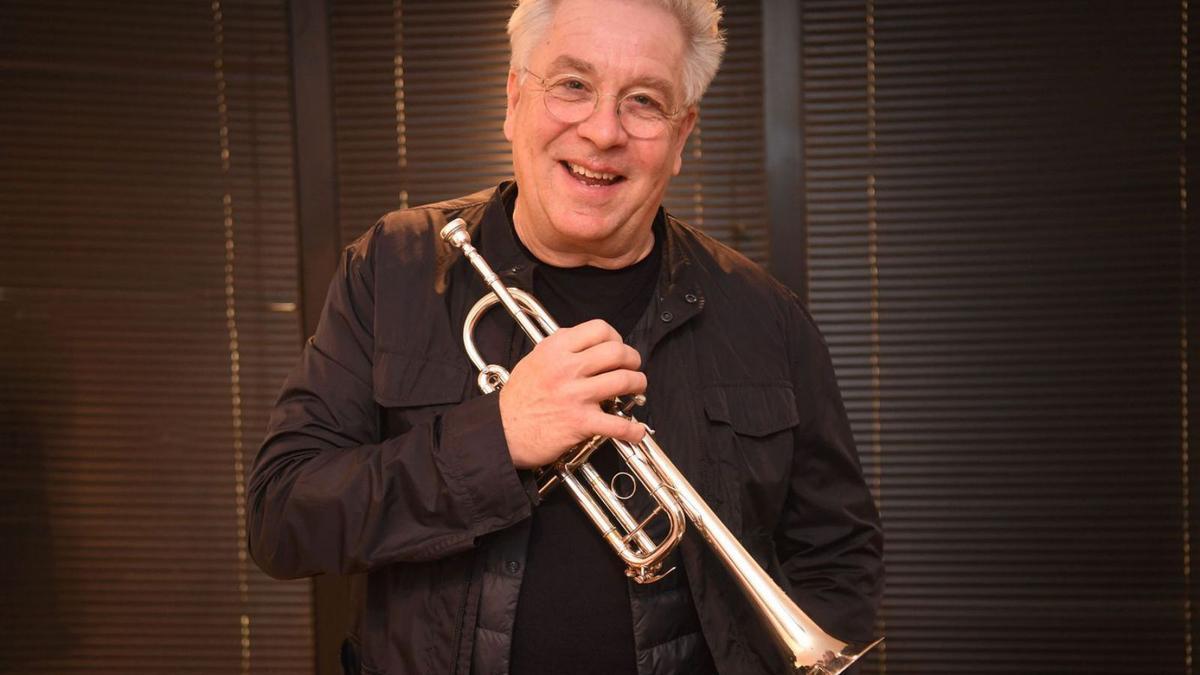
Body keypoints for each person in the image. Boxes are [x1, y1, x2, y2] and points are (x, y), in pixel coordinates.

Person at [247, 0, 884, 673]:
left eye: (643, 101)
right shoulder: (392, 266)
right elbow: (282, 517)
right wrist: (497, 436)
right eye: (573, 85)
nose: (602, 130)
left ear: (681, 137)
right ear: (514, 98)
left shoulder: (768, 317)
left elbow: (838, 552)